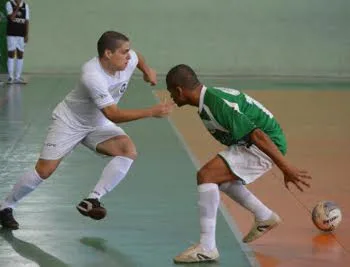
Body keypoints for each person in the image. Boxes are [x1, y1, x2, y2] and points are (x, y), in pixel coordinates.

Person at [0, 31, 174, 230]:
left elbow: (138, 57)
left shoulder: (128, 60)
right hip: (70, 121)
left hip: (97, 122)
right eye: (124, 52)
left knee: (128, 150)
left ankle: (92, 200)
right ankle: (6, 205)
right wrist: (152, 111)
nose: (129, 56)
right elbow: (114, 114)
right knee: (44, 171)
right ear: (108, 54)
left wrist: (147, 70)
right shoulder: (92, 75)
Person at [166, 64, 312, 263]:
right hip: (252, 143)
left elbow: (258, 134)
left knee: (206, 175)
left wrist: (285, 167)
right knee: (218, 178)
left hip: (265, 144)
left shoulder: (216, 104)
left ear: (179, 90)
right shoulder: (207, 101)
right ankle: (264, 216)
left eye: (171, 93)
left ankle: (207, 247)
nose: (172, 98)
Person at [6, 0, 30, 84]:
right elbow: (12, 18)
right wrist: (17, 7)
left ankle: (18, 77)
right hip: (12, 34)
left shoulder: (25, 5)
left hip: (21, 35)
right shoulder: (9, 3)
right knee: (11, 54)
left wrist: (26, 34)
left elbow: (26, 21)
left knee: (20, 54)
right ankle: (10, 77)